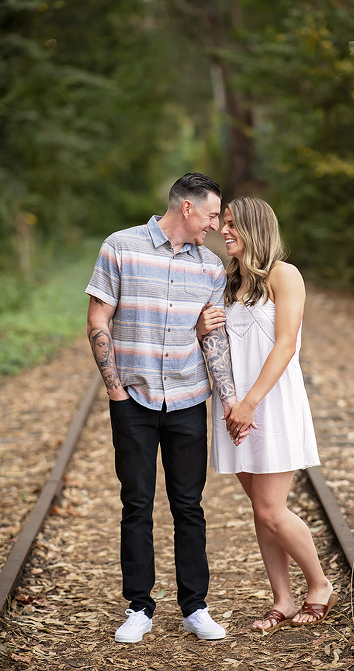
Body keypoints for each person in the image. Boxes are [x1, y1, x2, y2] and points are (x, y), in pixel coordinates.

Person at [86, 172, 238, 643]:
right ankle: (139, 607)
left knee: (189, 506)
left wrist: (229, 399)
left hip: (189, 399)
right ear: (188, 208)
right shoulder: (121, 247)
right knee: (136, 504)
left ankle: (195, 606)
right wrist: (114, 389)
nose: (215, 224)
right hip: (132, 397)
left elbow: (213, 339)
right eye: (212, 214)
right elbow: (98, 318)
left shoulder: (211, 267)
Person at [196, 197, 337, 631]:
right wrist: (202, 331)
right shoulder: (226, 282)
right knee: (261, 509)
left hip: (269, 404)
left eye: (234, 224)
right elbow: (216, 346)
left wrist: (251, 402)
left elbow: (285, 344)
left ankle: (319, 585)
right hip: (235, 407)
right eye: (224, 224)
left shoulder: (284, 275)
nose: (225, 230)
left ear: (256, 227)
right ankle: (283, 598)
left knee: (273, 509)